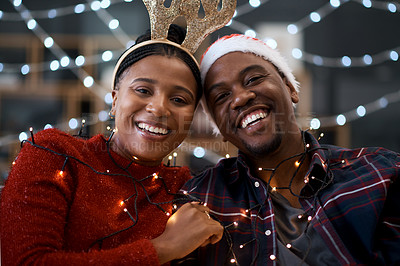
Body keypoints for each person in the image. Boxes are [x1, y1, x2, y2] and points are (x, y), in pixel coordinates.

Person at [0, 25, 223, 265]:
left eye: (179, 99)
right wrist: (162, 249)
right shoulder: (54, 155)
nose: (159, 108)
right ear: (115, 100)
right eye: (143, 90)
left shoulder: (187, 190)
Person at [181, 34, 400, 265]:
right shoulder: (199, 200)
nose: (241, 98)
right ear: (220, 129)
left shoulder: (380, 174)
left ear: (290, 88)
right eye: (222, 96)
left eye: (253, 79)